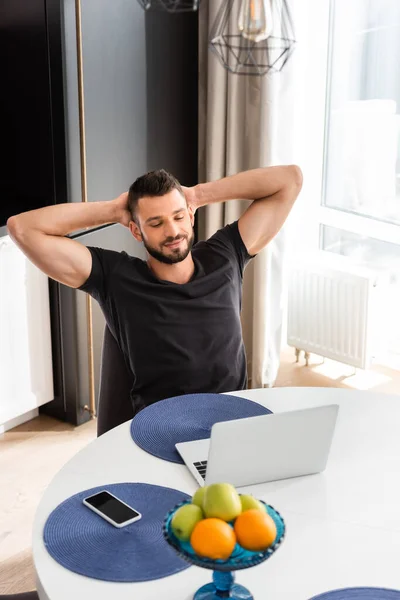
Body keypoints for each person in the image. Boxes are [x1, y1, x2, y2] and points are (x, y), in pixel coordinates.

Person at [7, 165, 302, 420]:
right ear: (136, 231)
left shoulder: (225, 255)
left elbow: (290, 179)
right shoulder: (116, 278)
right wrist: (112, 210)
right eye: (156, 223)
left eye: (178, 216)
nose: (172, 231)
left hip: (232, 418)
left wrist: (198, 195)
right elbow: (22, 228)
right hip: (160, 431)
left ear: (190, 215)